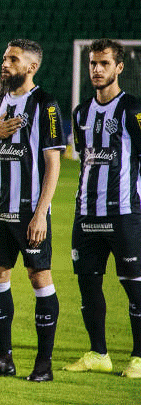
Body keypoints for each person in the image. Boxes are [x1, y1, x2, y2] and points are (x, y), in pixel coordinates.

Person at [0, 40, 64, 382]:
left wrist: (41, 213)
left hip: (29, 211)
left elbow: (52, 163)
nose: (5, 63)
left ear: (31, 67)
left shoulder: (45, 104)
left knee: (39, 277)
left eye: (13, 59)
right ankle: (3, 358)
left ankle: (43, 363)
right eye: (4, 57)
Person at [65, 38, 141, 379]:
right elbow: (85, 158)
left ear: (119, 67)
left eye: (104, 63)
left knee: (134, 285)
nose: (96, 69)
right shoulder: (81, 112)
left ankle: (139, 356)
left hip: (124, 213)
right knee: (88, 285)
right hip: (86, 215)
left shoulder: (133, 111)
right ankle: (99, 353)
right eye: (93, 63)